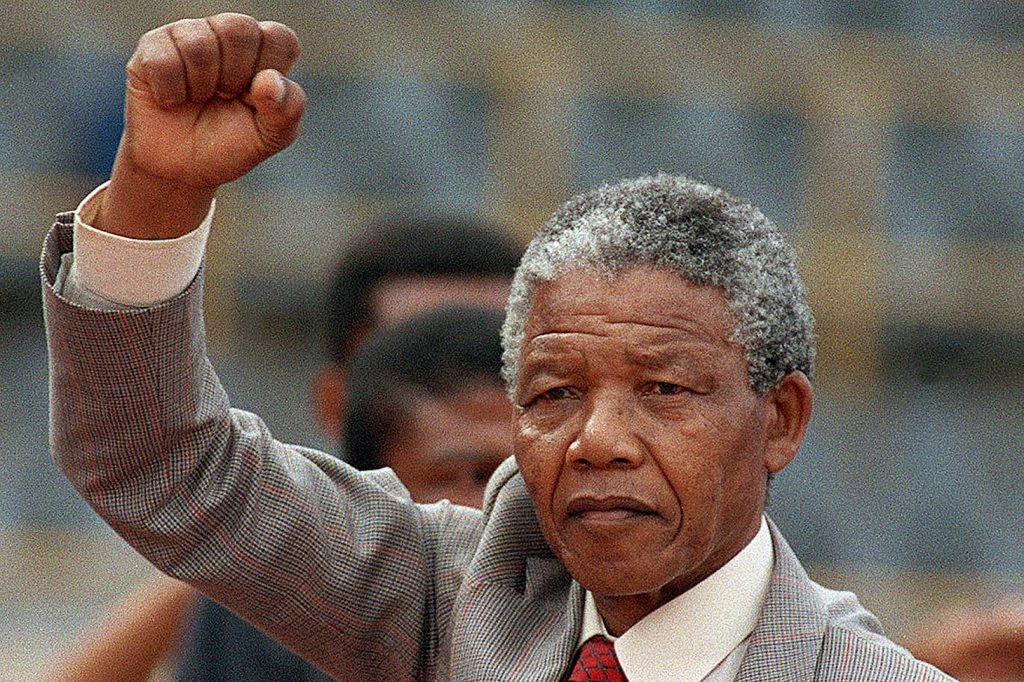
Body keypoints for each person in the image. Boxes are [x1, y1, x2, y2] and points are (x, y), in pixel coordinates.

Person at [41, 13, 952, 680]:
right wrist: (155, 192)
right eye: (553, 394)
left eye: (665, 390)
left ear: (781, 418)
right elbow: (157, 463)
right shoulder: (460, 598)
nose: (598, 439)